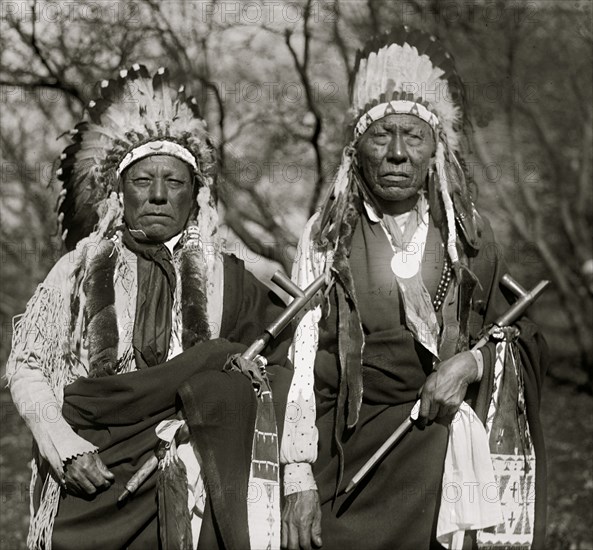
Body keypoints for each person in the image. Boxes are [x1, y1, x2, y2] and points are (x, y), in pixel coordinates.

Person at [280, 28, 548, 550]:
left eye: (414, 136)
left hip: (443, 449)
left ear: (435, 153)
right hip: (349, 457)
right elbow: (300, 358)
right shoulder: (326, 233)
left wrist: (470, 364)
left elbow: (518, 333)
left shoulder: (468, 234)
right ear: (355, 150)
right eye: (381, 136)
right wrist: (298, 478)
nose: (397, 153)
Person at [7, 65, 291, 550]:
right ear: (119, 192)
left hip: (196, 481)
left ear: (195, 194)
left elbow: (286, 362)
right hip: (90, 477)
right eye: (143, 180)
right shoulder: (75, 270)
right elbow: (26, 367)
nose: (158, 194)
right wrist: (65, 450)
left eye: (175, 182)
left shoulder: (231, 273)